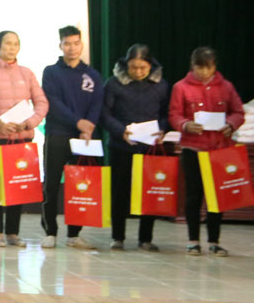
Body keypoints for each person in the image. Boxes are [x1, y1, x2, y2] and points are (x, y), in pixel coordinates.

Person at [168, 46, 244, 256]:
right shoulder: (181, 87)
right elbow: (174, 114)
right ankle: (193, 241)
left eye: (208, 68)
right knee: (194, 195)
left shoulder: (226, 87)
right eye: (199, 67)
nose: (203, 72)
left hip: (219, 150)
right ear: (192, 66)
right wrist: (185, 125)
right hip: (193, 148)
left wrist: (230, 124)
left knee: (217, 196)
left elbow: (238, 112)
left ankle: (214, 241)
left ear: (214, 66)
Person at [0, 31, 49, 247]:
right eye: (7, 43)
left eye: (15, 44)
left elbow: (42, 103)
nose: (11, 48)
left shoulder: (27, 73)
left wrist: (29, 123)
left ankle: (12, 233)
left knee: (18, 185)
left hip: (22, 138)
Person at [100, 43, 170, 251]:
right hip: (121, 146)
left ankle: (145, 239)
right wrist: (120, 131)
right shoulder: (113, 83)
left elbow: (167, 113)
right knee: (119, 192)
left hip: (149, 148)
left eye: (143, 68)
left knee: (149, 192)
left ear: (150, 65)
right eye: (133, 67)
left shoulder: (161, 85)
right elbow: (104, 114)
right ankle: (117, 237)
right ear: (126, 65)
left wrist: (162, 130)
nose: (138, 72)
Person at [40, 25, 104, 250]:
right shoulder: (51, 72)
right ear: (60, 45)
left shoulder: (92, 75)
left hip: (85, 138)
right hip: (57, 135)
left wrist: (89, 126)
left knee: (80, 185)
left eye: (76, 43)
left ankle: (74, 234)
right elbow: (53, 102)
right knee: (51, 185)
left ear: (81, 44)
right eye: (67, 44)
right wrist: (77, 122)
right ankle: (50, 232)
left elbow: (97, 102)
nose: (72, 48)